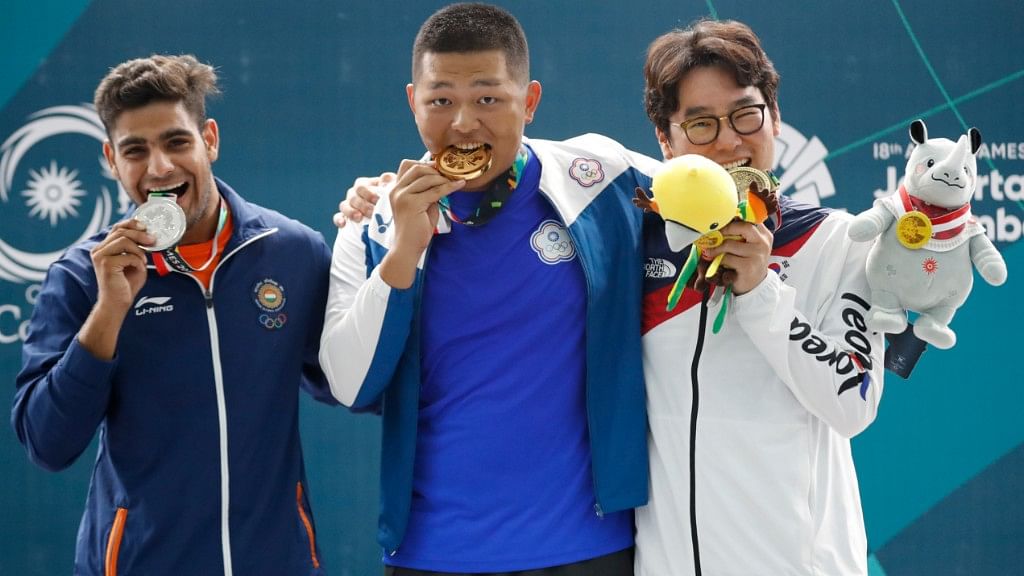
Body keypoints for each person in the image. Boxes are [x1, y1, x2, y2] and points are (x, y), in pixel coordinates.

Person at [319, 3, 659, 574]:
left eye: (487, 98)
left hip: (588, 548)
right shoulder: (371, 226)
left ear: (528, 101)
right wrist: (404, 251)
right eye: (441, 100)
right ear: (413, 102)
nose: (463, 124)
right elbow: (350, 385)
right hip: (434, 554)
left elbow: (713, 199)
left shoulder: (599, 177)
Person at [11, 54, 335, 575]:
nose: (159, 167)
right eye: (135, 151)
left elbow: (352, 384)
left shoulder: (293, 251)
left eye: (176, 142)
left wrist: (388, 248)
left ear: (209, 139)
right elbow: (48, 444)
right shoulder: (80, 275)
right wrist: (110, 310)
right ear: (112, 161)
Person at [635, 19, 884, 575]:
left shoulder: (838, 240)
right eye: (699, 124)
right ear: (664, 140)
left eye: (746, 114)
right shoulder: (635, 246)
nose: (728, 140)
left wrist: (760, 290)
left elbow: (854, 403)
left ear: (774, 117)